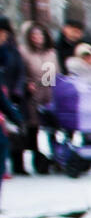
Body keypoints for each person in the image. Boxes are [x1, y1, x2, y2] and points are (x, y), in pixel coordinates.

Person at [17, 22, 56, 174]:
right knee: (31, 130)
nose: (37, 38)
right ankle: (32, 161)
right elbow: (21, 72)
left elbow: (54, 74)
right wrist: (28, 84)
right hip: (31, 96)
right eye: (34, 35)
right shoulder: (24, 52)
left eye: (40, 35)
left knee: (50, 129)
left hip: (48, 95)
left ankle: (53, 159)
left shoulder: (51, 53)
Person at [0, 18, 25, 176]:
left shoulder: (10, 52)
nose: (3, 38)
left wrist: (18, 89)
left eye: (4, 34)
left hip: (12, 92)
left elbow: (21, 71)